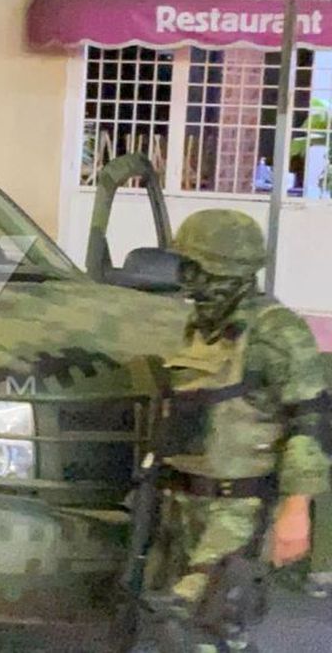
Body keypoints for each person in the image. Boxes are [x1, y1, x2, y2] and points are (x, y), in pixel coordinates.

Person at [144, 209, 331, 651]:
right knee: (172, 628)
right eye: (185, 268)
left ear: (228, 270)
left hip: (238, 510)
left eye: (198, 269)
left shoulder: (276, 332)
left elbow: (310, 421)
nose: (188, 282)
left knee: (207, 625)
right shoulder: (198, 327)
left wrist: (296, 509)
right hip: (181, 504)